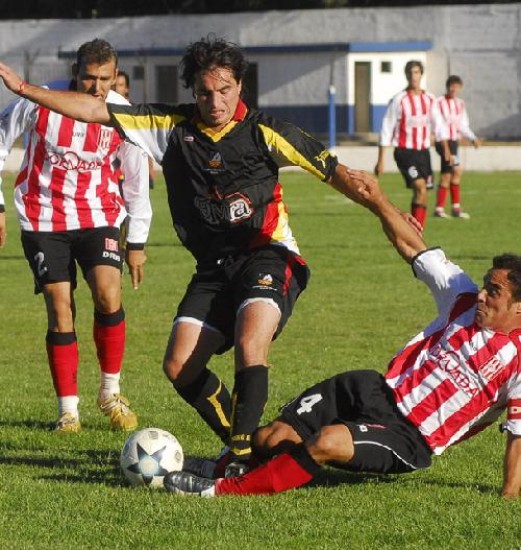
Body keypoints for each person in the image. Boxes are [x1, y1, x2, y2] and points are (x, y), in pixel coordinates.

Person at [0, 36, 386, 476]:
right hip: (194, 261)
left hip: (265, 253)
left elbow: (335, 172)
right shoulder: (165, 125)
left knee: (246, 338)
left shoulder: (264, 130)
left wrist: (391, 217)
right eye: (206, 92)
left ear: (241, 86)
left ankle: (236, 456)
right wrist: (26, 90)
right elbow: (82, 115)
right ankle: (247, 442)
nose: (216, 101)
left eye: (225, 90)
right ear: (193, 92)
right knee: (175, 363)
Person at [162, 169, 521, 500]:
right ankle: (219, 467)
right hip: (372, 388)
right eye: (484, 285)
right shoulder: (460, 298)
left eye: (493, 292)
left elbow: (518, 436)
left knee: (327, 441)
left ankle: (222, 491)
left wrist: (508, 495)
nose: (480, 294)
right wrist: (378, 199)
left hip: (411, 436)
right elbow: (414, 246)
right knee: (270, 438)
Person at [0, 39, 152, 433]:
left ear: (115, 76)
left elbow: (136, 181)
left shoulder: (121, 114)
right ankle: (68, 411)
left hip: (99, 215)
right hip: (44, 219)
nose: (96, 87)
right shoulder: (41, 100)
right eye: (89, 77)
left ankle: (110, 392)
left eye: (105, 79)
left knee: (109, 293)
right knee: (60, 306)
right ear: (76, 73)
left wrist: (136, 242)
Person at [375, 60, 451, 229]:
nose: (413, 76)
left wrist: (446, 150)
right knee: (420, 186)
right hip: (404, 152)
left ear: (421, 75)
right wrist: (381, 159)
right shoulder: (399, 100)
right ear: (406, 76)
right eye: (410, 73)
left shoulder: (430, 99)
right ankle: (414, 232)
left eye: (416, 73)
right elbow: (386, 128)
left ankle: (417, 231)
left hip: (423, 152)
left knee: (423, 194)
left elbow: (439, 125)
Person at [434, 75, 481, 220]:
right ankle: (443, 208)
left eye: (456, 86)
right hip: (443, 141)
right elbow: (437, 124)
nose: (453, 89)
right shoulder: (438, 102)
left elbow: (462, 125)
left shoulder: (460, 104)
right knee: (455, 169)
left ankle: (450, 208)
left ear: (460, 88)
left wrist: (472, 138)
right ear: (447, 87)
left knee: (451, 174)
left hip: (454, 142)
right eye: (451, 86)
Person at [112, 69, 156, 190]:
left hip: (132, 169)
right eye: (114, 85)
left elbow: (145, 142)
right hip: (112, 170)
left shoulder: (135, 113)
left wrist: (150, 168)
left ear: (127, 89)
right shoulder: (104, 111)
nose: (116, 89)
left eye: (120, 85)